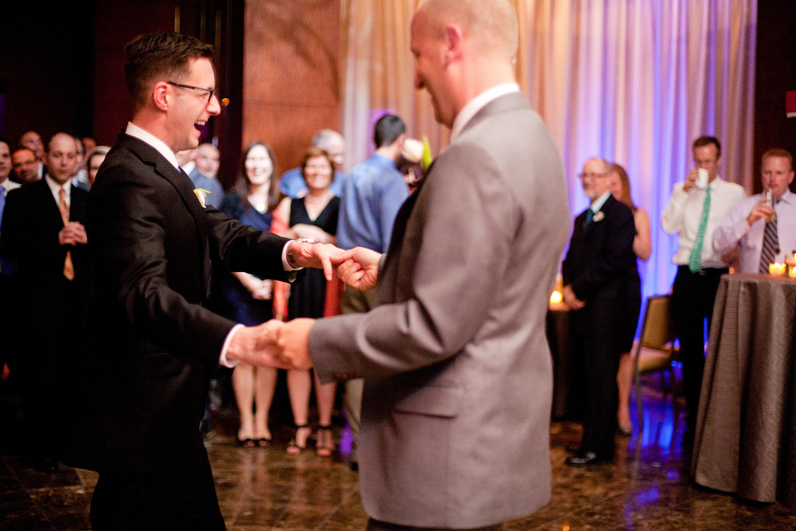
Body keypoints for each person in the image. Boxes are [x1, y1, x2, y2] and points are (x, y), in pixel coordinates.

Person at [276, 0, 570, 528]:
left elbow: (433, 326)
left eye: (418, 55)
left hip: (443, 457)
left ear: (451, 43)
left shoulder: (474, 155)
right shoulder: (534, 136)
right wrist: (394, 267)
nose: (416, 77)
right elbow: (491, 278)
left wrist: (310, 341)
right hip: (490, 436)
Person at [76, 31, 340, 531]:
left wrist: (299, 252)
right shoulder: (130, 175)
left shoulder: (160, 169)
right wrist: (238, 339)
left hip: (165, 415)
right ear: (164, 95)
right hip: (143, 414)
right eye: (205, 95)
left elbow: (221, 233)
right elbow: (142, 294)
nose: (216, 109)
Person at [1, 132, 92, 473]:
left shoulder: (87, 198)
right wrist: (54, 239)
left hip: (79, 301)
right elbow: (11, 244)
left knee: (74, 377)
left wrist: (88, 239)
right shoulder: (26, 197)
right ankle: (42, 449)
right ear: (46, 158)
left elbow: (108, 247)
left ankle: (69, 445)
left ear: (78, 159)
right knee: (42, 378)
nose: (64, 161)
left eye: (70, 155)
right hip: (40, 302)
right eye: (57, 155)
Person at [335, 113, 409, 469]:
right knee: (384, 359)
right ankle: (382, 445)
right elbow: (393, 238)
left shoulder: (352, 175)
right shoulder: (391, 179)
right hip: (377, 275)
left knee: (354, 359)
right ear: (400, 141)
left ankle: (359, 444)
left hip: (348, 273)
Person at [661, 136, 745, 437]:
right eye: (698, 161)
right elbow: (668, 226)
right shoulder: (681, 190)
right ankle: (694, 417)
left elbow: (741, 231)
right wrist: (683, 193)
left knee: (721, 349)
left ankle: (719, 418)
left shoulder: (735, 193)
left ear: (719, 160)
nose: (702, 166)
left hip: (717, 276)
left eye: (708, 161)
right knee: (691, 352)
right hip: (686, 275)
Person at [561, 158, 636, 465]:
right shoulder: (582, 218)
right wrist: (567, 289)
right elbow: (569, 260)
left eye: (595, 175)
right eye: (584, 175)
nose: (588, 180)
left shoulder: (621, 215)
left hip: (607, 309)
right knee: (586, 377)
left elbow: (613, 261)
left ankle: (598, 448)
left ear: (609, 179)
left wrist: (578, 289)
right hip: (583, 309)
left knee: (601, 379)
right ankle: (588, 441)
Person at [215, 141, 282, 447]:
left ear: (271, 164)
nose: (256, 166)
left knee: (268, 356)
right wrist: (252, 284)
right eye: (251, 160)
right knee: (245, 355)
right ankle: (245, 420)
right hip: (239, 290)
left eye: (262, 159)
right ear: (245, 166)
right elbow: (224, 249)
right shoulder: (232, 201)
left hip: (274, 290)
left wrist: (271, 285)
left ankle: (262, 420)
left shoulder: (283, 201)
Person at [275, 147, 340, 456]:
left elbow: (348, 243)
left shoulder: (341, 205)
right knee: (297, 355)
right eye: (311, 167)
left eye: (322, 168)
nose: (317, 173)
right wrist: (293, 232)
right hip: (297, 285)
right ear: (303, 171)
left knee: (324, 357)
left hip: (328, 286)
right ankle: (301, 426)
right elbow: (276, 241)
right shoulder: (291, 203)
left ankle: (325, 427)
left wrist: (317, 234)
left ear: (331, 172)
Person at [607, 163, 651, 436]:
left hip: (626, 291)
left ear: (624, 185)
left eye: (616, 183)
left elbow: (645, 252)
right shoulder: (598, 216)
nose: (612, 189)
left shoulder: (637, 214)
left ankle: (622, 408)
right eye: (607, 184)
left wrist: (624, 224)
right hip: (603, 291)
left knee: (623, 351)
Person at [713, 148, 796, 273]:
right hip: (751, 286)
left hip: (790, 288)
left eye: (779, 173)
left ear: (790, 177)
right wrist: (747, 221)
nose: (772, 179)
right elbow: (718, 245)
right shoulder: (745, 206)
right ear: (761, 174)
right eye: (767, 172)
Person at [279, 129, 345, 198]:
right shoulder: (290, 181)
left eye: (342, 154)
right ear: (318, 151)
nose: (340, 160)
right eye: (335, 155)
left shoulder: (343, 181)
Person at [188, 143, 225, 208]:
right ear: (194, 158)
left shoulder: (211, 184)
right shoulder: (187, 178)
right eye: (204, 157)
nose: (209, 163)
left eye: (215, 159)